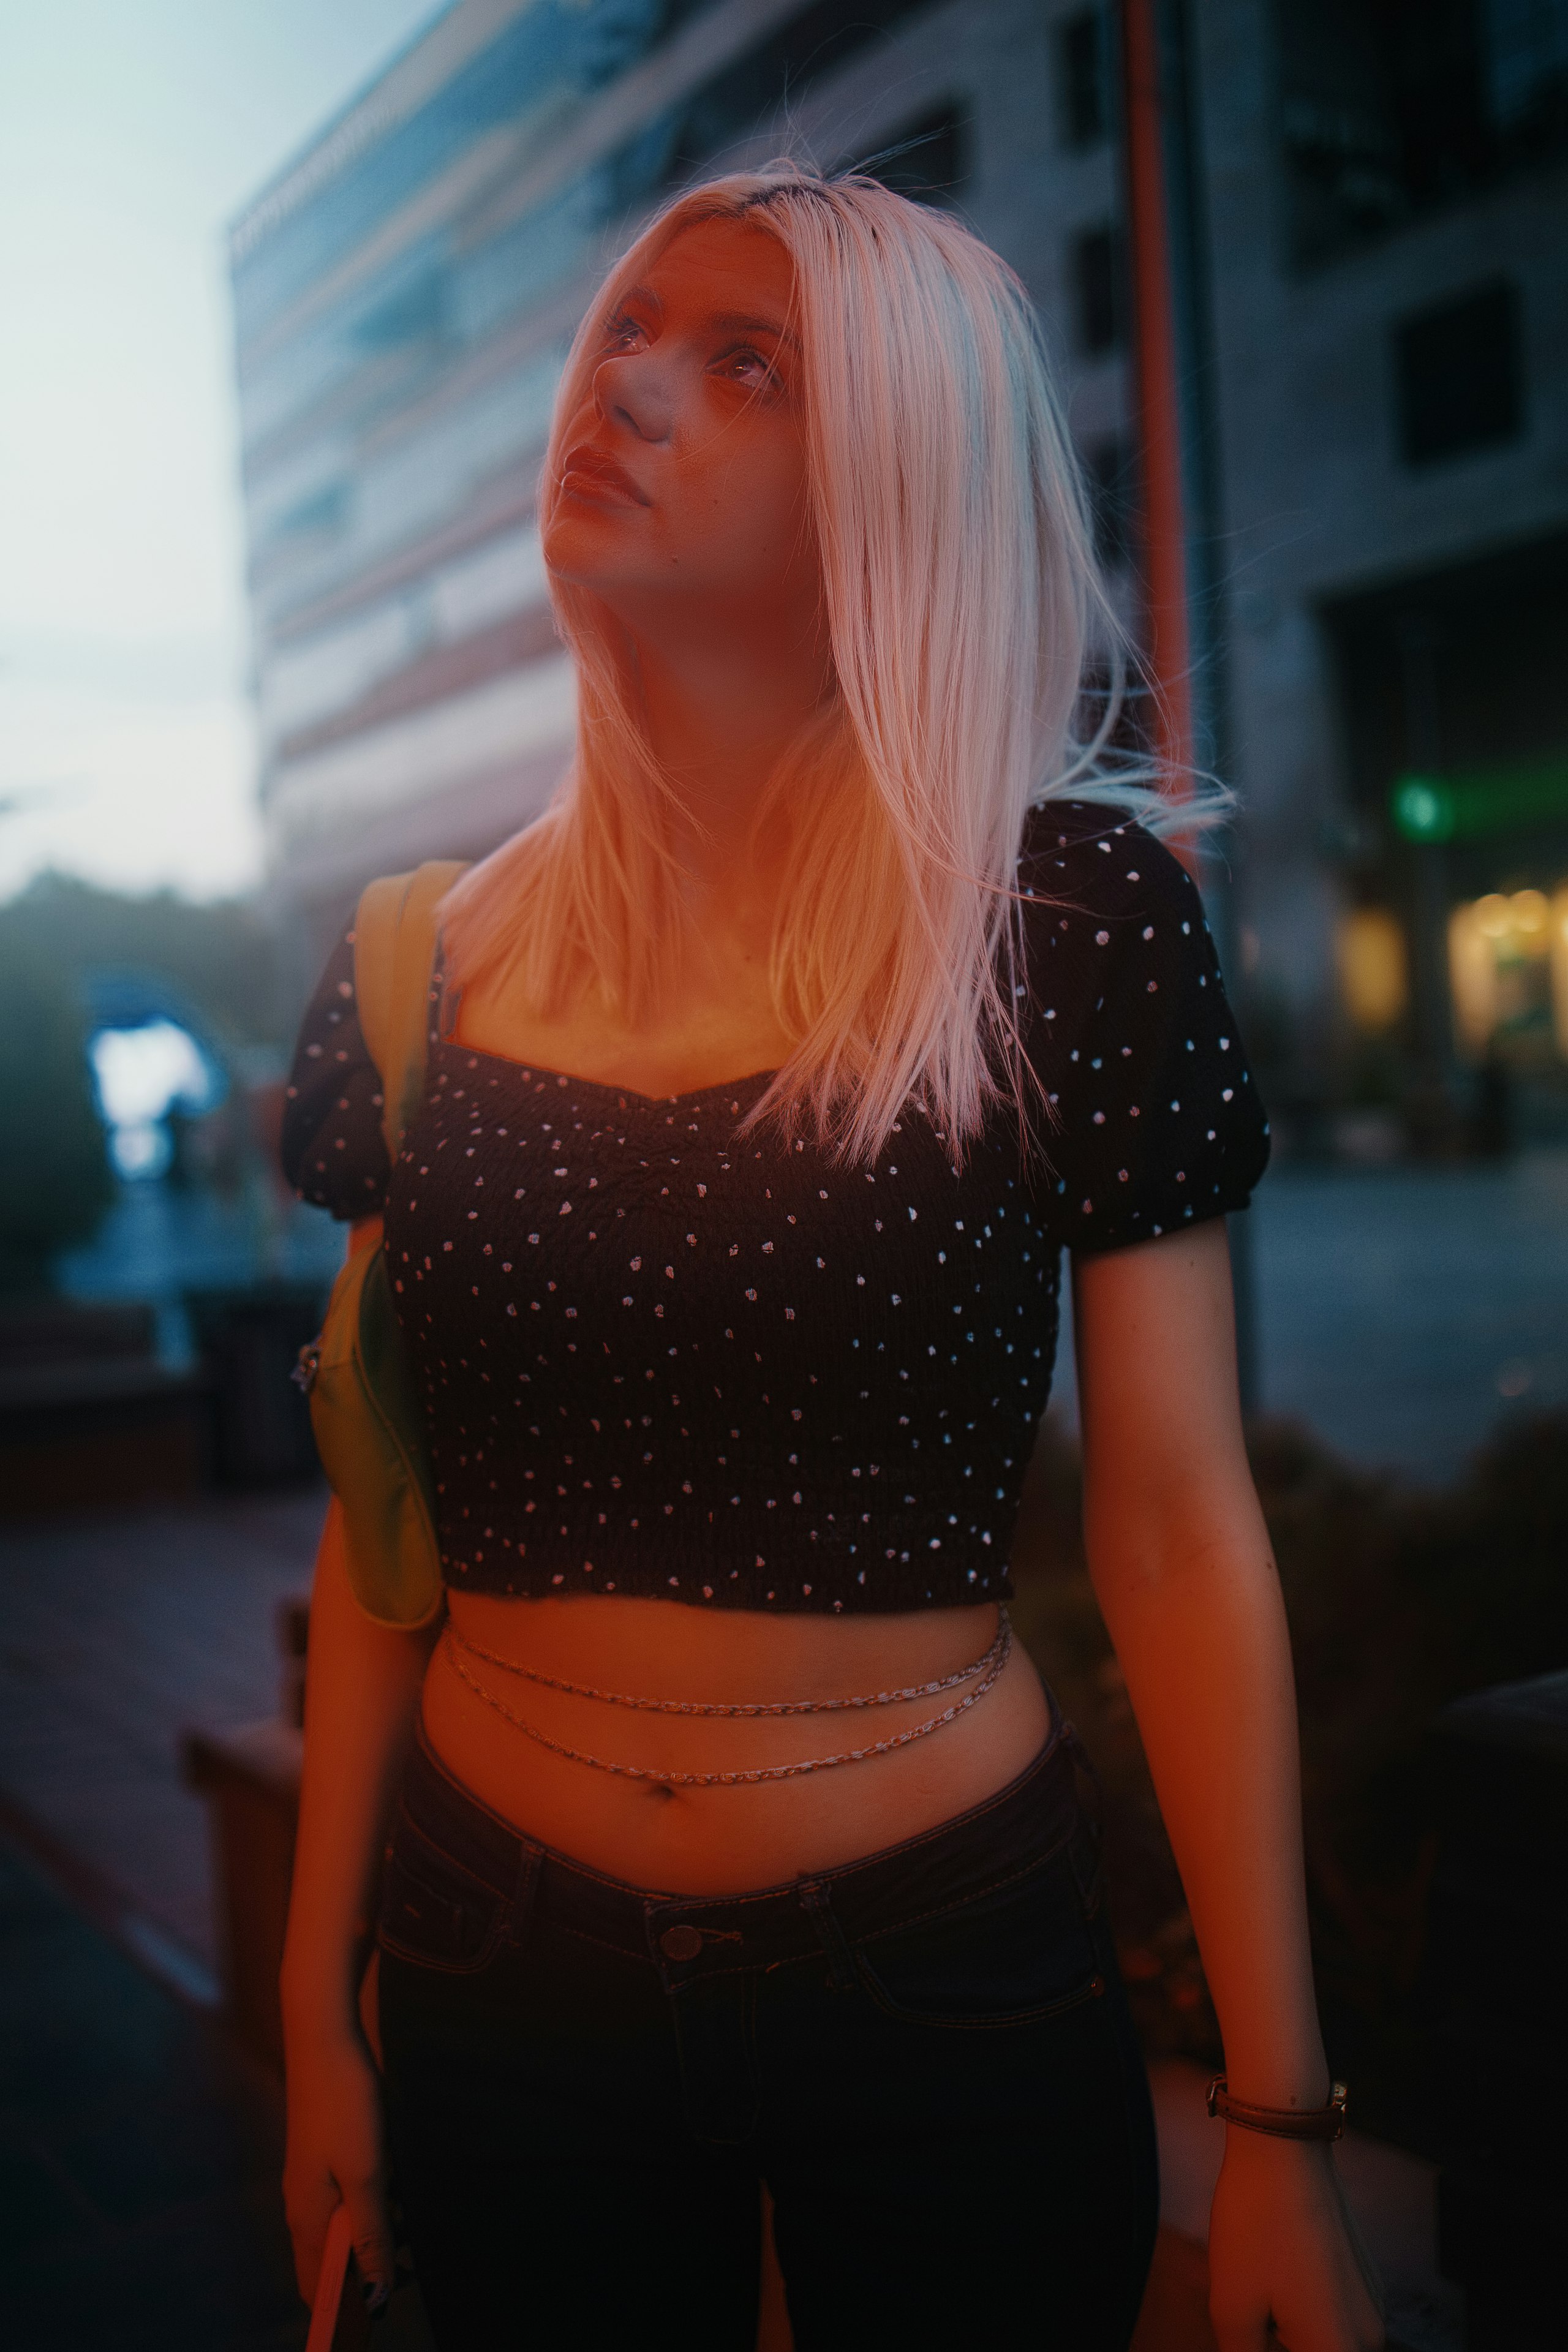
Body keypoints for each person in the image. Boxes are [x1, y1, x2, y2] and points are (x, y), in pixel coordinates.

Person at [279, 165, 1382, 2351]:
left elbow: (1175, 1523)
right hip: (499, 1957)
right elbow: (378, 1537)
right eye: (629, 331)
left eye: (743, 360)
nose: (630, 385)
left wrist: (1279, 2126)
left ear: (899, 485)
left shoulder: (1060, 916)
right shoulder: (421, 961)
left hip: (947, 1960)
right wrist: (323, 2003)